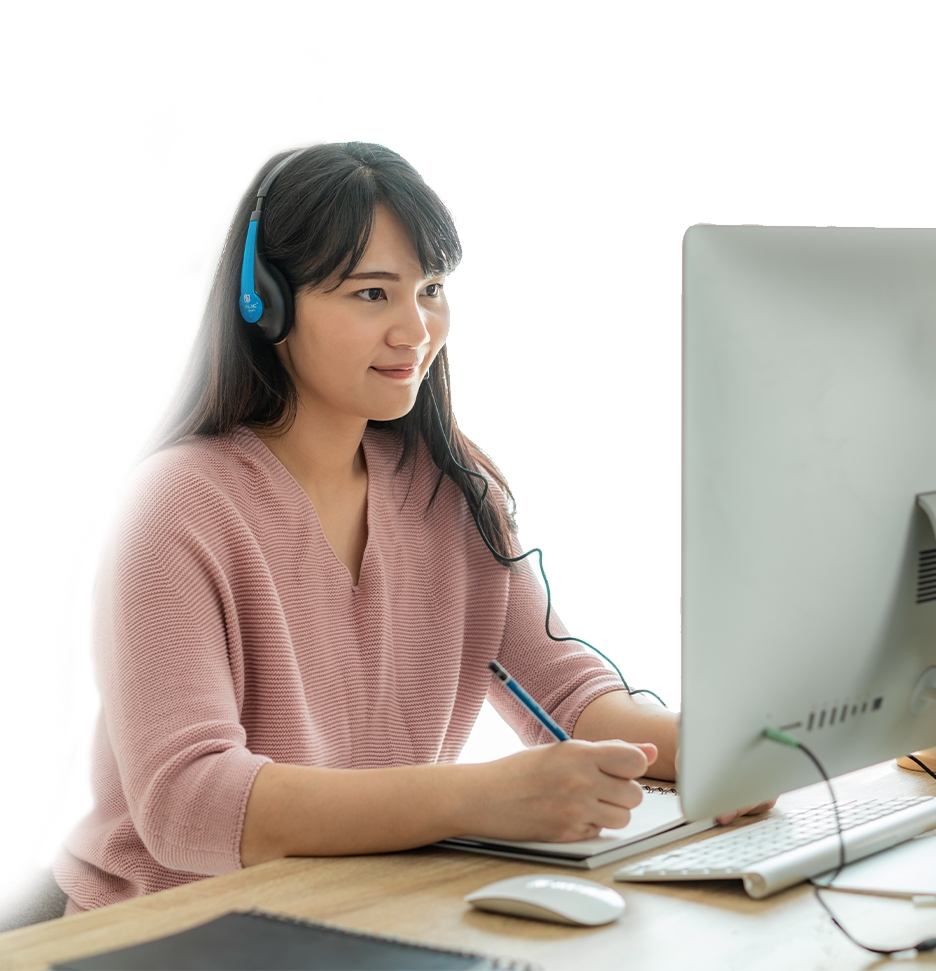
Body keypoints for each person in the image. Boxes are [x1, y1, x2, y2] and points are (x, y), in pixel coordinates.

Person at [56, 142, 766, 913]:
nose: (415, 330)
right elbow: (187, 802)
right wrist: (479, 797)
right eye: (370, 294)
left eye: (429, 289)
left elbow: (564, 699)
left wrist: (719, 748)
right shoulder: (176, 503)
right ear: (265, 302)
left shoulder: (449, 491)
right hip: (166, 936)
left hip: (356, 911)